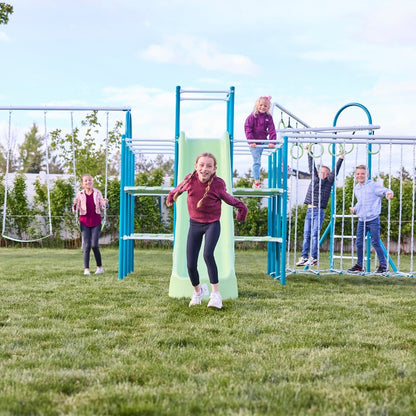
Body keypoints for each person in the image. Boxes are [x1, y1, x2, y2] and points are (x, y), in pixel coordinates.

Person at [166, 152, 248, 309]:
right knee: (190, 264)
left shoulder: (218, 184)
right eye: (201, 165)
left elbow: (229, 199)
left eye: (209, 166)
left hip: (212, 224)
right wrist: (171, 197)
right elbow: (177, 189)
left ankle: (216, 295)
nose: (205, 168)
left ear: (214, 168)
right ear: (196, 166)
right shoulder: (190, 180)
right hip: (195, 224)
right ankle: (198, 292)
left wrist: (241, 210)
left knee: (208, 254)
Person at [296, 145, 344, 267]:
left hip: (319, 211)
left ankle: (314, 257)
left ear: (328, 175)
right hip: (309, 211)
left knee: (314, 234)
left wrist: (341, 158)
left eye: (325, 173)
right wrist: (309, 151)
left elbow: (335, 170)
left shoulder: (328, 182)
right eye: (321, 172)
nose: (322, 174)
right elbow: (311, 165)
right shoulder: (314, 178)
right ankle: (304, 257)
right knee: (306, 234)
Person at [348, 165, 393, 274]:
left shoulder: (373, 186)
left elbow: (385, 191)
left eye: (362, 173)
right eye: (358, 174)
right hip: (361, 220)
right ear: (355, 175)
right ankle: (359, 265)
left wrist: (388, 193)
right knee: (358, 242)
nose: (360, 176)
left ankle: (383, 266)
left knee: (375, 242)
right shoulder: (356, 188)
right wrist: (355, 208)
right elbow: (360, 202)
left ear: (367, 175)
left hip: (373, 219)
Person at [73, 174, 108, 275]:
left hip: (96, 222)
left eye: (89, 180)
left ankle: (99, 267)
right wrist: (74, 204)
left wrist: (106, 204)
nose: (88, 182)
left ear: (92, 182)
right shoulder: (80, 194)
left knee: (94, 245)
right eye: (85, 181)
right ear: (82, 184)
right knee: (87, 245)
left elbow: (103, 207)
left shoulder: (97, 193)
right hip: (84, 222)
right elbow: (75, 210)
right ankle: (86, 269)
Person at [244, 96, 276, 189]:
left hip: (263, 141)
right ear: (257, 105)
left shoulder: (268, 117)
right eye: (261, 105)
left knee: (279, 146)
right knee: (257, 162)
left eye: (265, 106)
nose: (263, 107)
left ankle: (282, 164)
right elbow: (247, 129)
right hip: (254, 142)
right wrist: (251, 141)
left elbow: (272, 129)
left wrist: (272, 142)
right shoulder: (252, 116)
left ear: (268, 107)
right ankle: (257, 182)